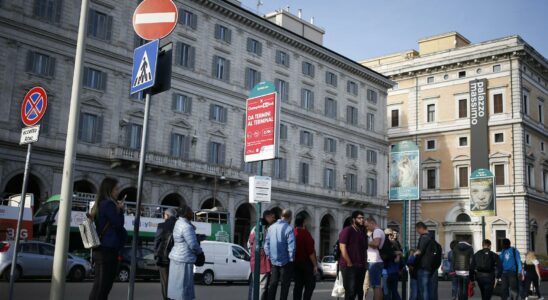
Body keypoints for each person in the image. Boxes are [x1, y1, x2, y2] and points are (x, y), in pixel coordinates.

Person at [88, 178, 126, 300]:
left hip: (101, 249)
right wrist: (120, 211)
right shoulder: (108, 204)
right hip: (107, 250)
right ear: (109, 190)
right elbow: (118, 224)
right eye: (116, 189)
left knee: (99, 286)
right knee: (103, 288)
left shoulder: (100, 203)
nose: (118, 191)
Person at [167, 205, 203, 300]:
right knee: (183, 290)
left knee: (176, 289)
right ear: (186, 213)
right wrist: (200, 253)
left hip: (176, 258)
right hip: (184, 259)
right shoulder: (186, 226)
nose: (192, 214)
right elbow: (193, 245)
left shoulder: (178, 223)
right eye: (191, 212)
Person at [265, 209, 295, 300]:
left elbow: (266, 244)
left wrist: (269, 256)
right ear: (290, 217)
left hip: (274, 261)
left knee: (273, 284)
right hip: (285, 262)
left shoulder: (271, 228)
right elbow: (292, 247)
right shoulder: (289, 229)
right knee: (285, 285)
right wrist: (291, 259)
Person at [338, 211, 367, 300]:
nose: (362, 220)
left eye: (363, 218)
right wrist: (349, 262)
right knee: (351, 291)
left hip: (360, 266)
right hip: (349, 266)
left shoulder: (361, 232)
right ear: (354, 219)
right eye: (359, 218)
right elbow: (342, 247)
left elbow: (364, 249)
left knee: (359, 291)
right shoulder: (348, 230)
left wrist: (364, 264)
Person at [248, 210, 276, 300]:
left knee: (254, 285)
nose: (273, 219)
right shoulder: (264, 230)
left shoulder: (254, 229)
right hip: (263, 262)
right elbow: (266, 247)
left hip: (254, 261)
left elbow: (249, 244)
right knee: (262, 286)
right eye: (272, 217)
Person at [154, 208, 178, 300]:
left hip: (163, 259)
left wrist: (156, 255)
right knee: (175, 282)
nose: (164, 217)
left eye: (164, 215)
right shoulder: (179, 226)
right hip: (176, 259)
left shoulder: (162, 225)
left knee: (165, 282)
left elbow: (157, 242)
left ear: (167, 216)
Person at [293, 215, 317, 300]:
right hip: (306, 263)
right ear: (303, 223)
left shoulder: (293, 232)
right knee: (310, 285)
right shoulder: (306, 233)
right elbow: (310, 251)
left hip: (295, 263)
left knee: (298, 286)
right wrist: (315, 265)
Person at [414, 221, 436, 300]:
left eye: (417, 230)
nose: (417, 232)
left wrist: (413, 255)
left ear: (420, 228)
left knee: (423, 290)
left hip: (423, 267)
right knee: (428, 289)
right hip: (429, 267)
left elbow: (419, 251)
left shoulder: (424, 238)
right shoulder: (431, 237)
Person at [365, 217, 384, 300]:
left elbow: (376, 243)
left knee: (376, 286)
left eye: (367, 226)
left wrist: (366, 242)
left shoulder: (377, 231)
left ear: (372, 223)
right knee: (377, 285)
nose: (367, 228)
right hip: (376, 261)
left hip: (374, 261)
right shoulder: (378, 231)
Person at [382, 228, 402, 300]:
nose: (390, 236)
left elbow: (397, 259)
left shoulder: (392, 244)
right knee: (392, 291)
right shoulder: (394, 243)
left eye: (391, 234)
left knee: (387, 292)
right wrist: (397, 253)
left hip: (389, 271)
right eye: (388, 235)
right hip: (390, 271)